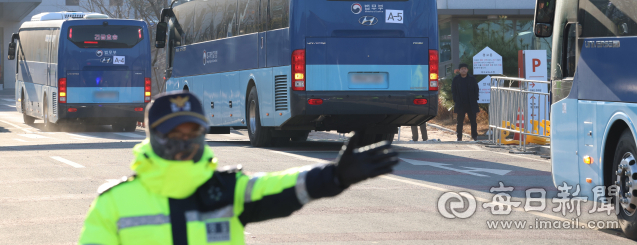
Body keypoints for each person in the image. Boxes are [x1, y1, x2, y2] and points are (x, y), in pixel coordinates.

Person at [78, 91, 398, 245]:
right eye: (174, 135)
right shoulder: (113, 204)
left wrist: (335, 177)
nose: (183, 142)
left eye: (192, 134)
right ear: (155, 137)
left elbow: (279, 187)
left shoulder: (229, 191)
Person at [451, 63, 479, 141]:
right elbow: (453, 90)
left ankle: (474, 136)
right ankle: (459, 137)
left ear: (467, 70)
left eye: (465, 69)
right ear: (459, 70)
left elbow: (476, 89)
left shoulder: (472, 79)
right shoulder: (456, 79)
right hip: (460, 103)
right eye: (462, 69)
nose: (463, 70)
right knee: (459, 121)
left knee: (473, 121)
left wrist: (476, 99)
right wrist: (455, 100)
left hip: (471, 103)